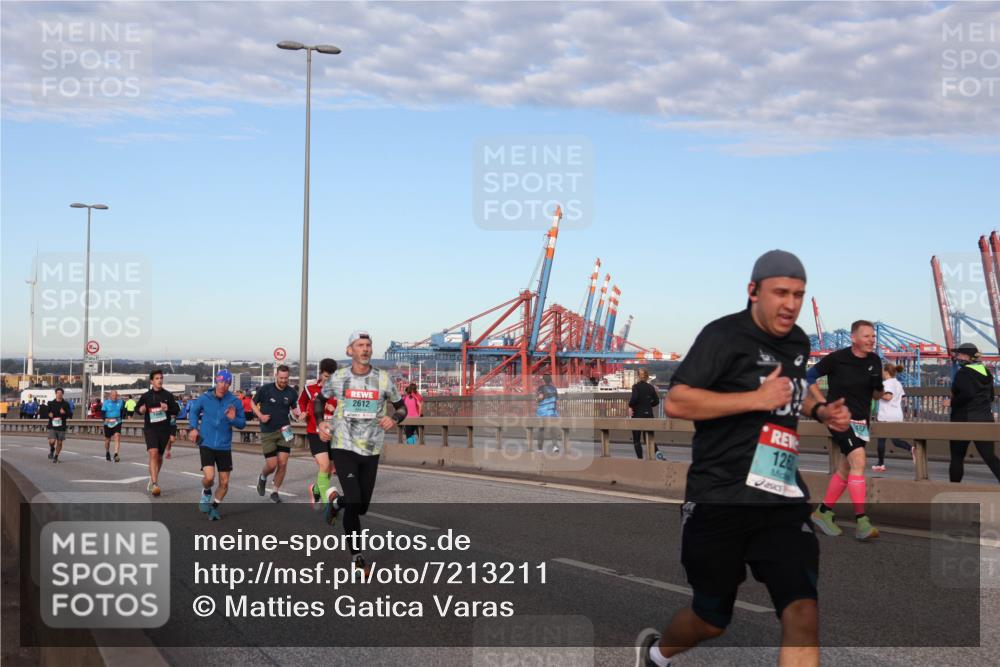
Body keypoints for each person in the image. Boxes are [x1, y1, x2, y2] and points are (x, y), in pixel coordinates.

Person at [635, 250, 849, 667]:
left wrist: (822, 410)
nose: (790, 304)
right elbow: (677, 401)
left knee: (803, 613)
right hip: (719, 496)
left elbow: (797, 385)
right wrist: (755, 399)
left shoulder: (798, 340)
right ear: (753, 291)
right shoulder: (723, 336)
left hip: (780, 498)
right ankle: (657, 655)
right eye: (780, 293)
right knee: (711, 620)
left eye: (798, 294)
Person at [317, 330, 407, 575]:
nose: (365, 349)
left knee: (361, 506)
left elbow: (402, 407)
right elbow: (319, 400)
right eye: (360, 345)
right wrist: (321, 423)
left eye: (368, 345)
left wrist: (394, 418)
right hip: (343, 446)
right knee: (355, 499)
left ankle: (337, 503)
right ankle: (357, 557)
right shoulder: (338, 377)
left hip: (371, 448)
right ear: (350, 350)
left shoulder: (383, 378)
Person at [807, 320, 884, 541]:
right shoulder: (837, 358)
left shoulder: (875, 361)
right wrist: (824, 405)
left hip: (861, 421)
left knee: (845, 469)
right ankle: (862, 522)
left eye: (873, 336)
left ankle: (822, 512)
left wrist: (880, 387)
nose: (871, 340)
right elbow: (809, 377)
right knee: (858, 461)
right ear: (853, 338)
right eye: (866, 336)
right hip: (839, 419)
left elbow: (877, 394)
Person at [187, 369, 246, 521]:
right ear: (216, 381)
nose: (222, 385)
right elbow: (193, 412)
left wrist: (233, 419)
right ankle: (206, 491)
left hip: (224, 446)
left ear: (230, 385)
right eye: (220, 381)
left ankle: (213, 507)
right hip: (206, 442)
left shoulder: (234, 401)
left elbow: (242, 423)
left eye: (226, 383)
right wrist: (193, 428)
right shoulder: (205, 397)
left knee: (224, 482)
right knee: (209, 477)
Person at [948, 343, 1000, 484]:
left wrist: (951, 402)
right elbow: (990, 397)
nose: (957, 357)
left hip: (963, 420)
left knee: (957, 457)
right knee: (990, 456)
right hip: (984, 419)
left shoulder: (963, 373)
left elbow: (968, 394)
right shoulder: (986, 372)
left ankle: (954, 489)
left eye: (959, 354)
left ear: (967, 356)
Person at [253, 364, 301, 503]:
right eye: (281, 378)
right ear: (276, 376)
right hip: (268, 431)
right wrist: (260, 416)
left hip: (286, 431)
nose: (283, 381)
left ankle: (275, 491)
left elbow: (295, 409)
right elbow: (252, 403)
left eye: (286, 378)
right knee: (272, 464)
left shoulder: (292, 392)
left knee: (283, 463)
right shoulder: (265, 389)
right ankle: (263, 477)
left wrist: (299, 414)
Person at [299, 358, 339, 509]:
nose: (329, 380)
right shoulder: (310, 388)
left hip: (333, 434)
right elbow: (301, 402)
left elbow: (345, 410)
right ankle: (327, 503)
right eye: (326, 376)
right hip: (315, 432)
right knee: (324, 465)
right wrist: (302, 412)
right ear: (321, 373)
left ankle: (316, 489)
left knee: (329, 469)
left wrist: (335, 410)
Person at [134, 369, 180, 497]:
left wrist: (168, 408)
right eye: (157, 378)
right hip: (151, 429)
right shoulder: (146, 396)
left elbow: (176, 410)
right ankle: (155, 484)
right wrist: (141, 409)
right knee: (153, 453)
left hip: (164, 429)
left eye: (161, 378)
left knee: (159, 457)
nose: (159, 380)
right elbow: (137, 409)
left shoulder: (168, 395)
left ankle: (152, 478)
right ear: (151, 381)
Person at [873, 364, 912, 472]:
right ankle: (912, 448)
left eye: (882, 370)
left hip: (886, 415)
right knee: (895, 441)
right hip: (897, 414)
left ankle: (880, 464)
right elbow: (904, 398)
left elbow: (888, 396)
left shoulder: (887, 383)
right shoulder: (898, 383)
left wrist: (875, 394)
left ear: (886, 372)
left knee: (881, 439)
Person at [629, 369, 660, 459]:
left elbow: (634, 398)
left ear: (638, 376)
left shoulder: (636, 386)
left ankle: (640, 460)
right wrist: (648, 405)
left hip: (637, 415)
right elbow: (656, 401)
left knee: (637, 440)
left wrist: (630, 405)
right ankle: (658, 454)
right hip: (649, 415)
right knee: (649, 438)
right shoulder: (651, 387)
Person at [46, 388, 74, 463]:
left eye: (61, 393)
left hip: (61, 425)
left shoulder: (65, 404)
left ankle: (56, 456)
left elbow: (70, 414)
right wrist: (49, 414)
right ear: (56, 394)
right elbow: (47, 413)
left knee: (60, 442)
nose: (59, 394)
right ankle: (52, 449)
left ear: (63, 394)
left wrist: (64, 412)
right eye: (58, 393)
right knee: (52, 441)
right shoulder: (51, 403)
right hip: (52, 425)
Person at [535, 373, 560, 454]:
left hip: (543, 413)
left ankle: (540, 449)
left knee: (541, 429)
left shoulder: (541, 388)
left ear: (543, 380)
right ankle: (555, 447)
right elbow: (557, 401)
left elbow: (541, 397)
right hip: (552, 412)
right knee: (553, 429)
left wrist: (536, 400)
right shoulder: (554, 388)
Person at [101, 390, 126, 463]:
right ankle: (107, 451)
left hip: (117, 421)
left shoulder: (120, 402)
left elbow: (123, 410)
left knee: (117, 435)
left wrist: (122, 417)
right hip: (108, 422)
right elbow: (102, 413)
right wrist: (105, 419)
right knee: (107, 440)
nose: (114, 397)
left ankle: (116, 454)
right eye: (113, 395)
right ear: (110, 396)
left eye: (115, 395)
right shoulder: (106, 403)